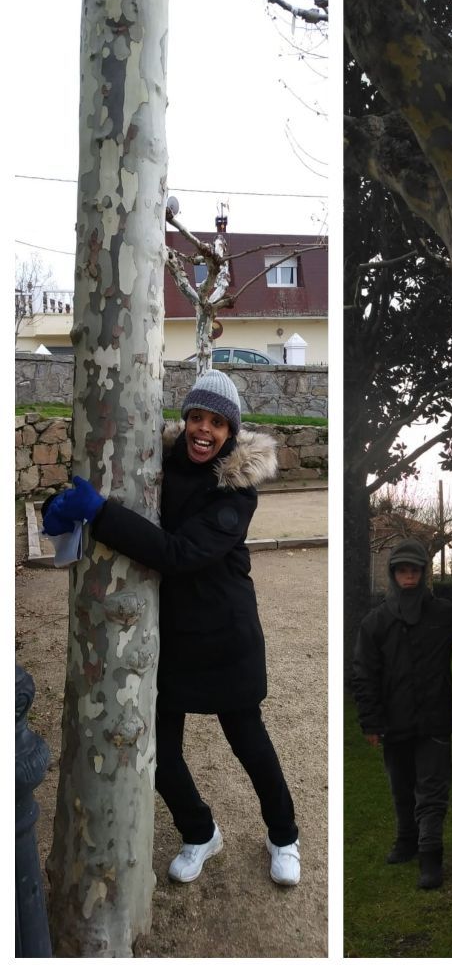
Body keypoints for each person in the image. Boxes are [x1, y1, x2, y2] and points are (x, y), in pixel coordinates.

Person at [42, 369, 301, 886]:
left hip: (227, 638)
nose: (204, 430)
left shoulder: (237, 491)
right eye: (196, 418)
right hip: (171, 637)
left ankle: (284, 836)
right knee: (159, 750)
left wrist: (101, 512)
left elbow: (179, 554)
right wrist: (59, 508)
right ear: (185, 421)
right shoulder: (155, 462)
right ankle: (200, 831)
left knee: (250, 744)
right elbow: (111, 483)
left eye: (217, 423)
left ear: (232, 431)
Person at [352, 538, 452, 890]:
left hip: (434, 718)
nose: (408, 577)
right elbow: (363, 674)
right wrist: (371, 721)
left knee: (432, 791)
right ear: (392, 574)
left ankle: (430, 855)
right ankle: (406, 841)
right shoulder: (376, 622)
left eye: (414, 571)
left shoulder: (444, 614)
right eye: (402, 570)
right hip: (394, 720)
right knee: (401, 787)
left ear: (423, 573)